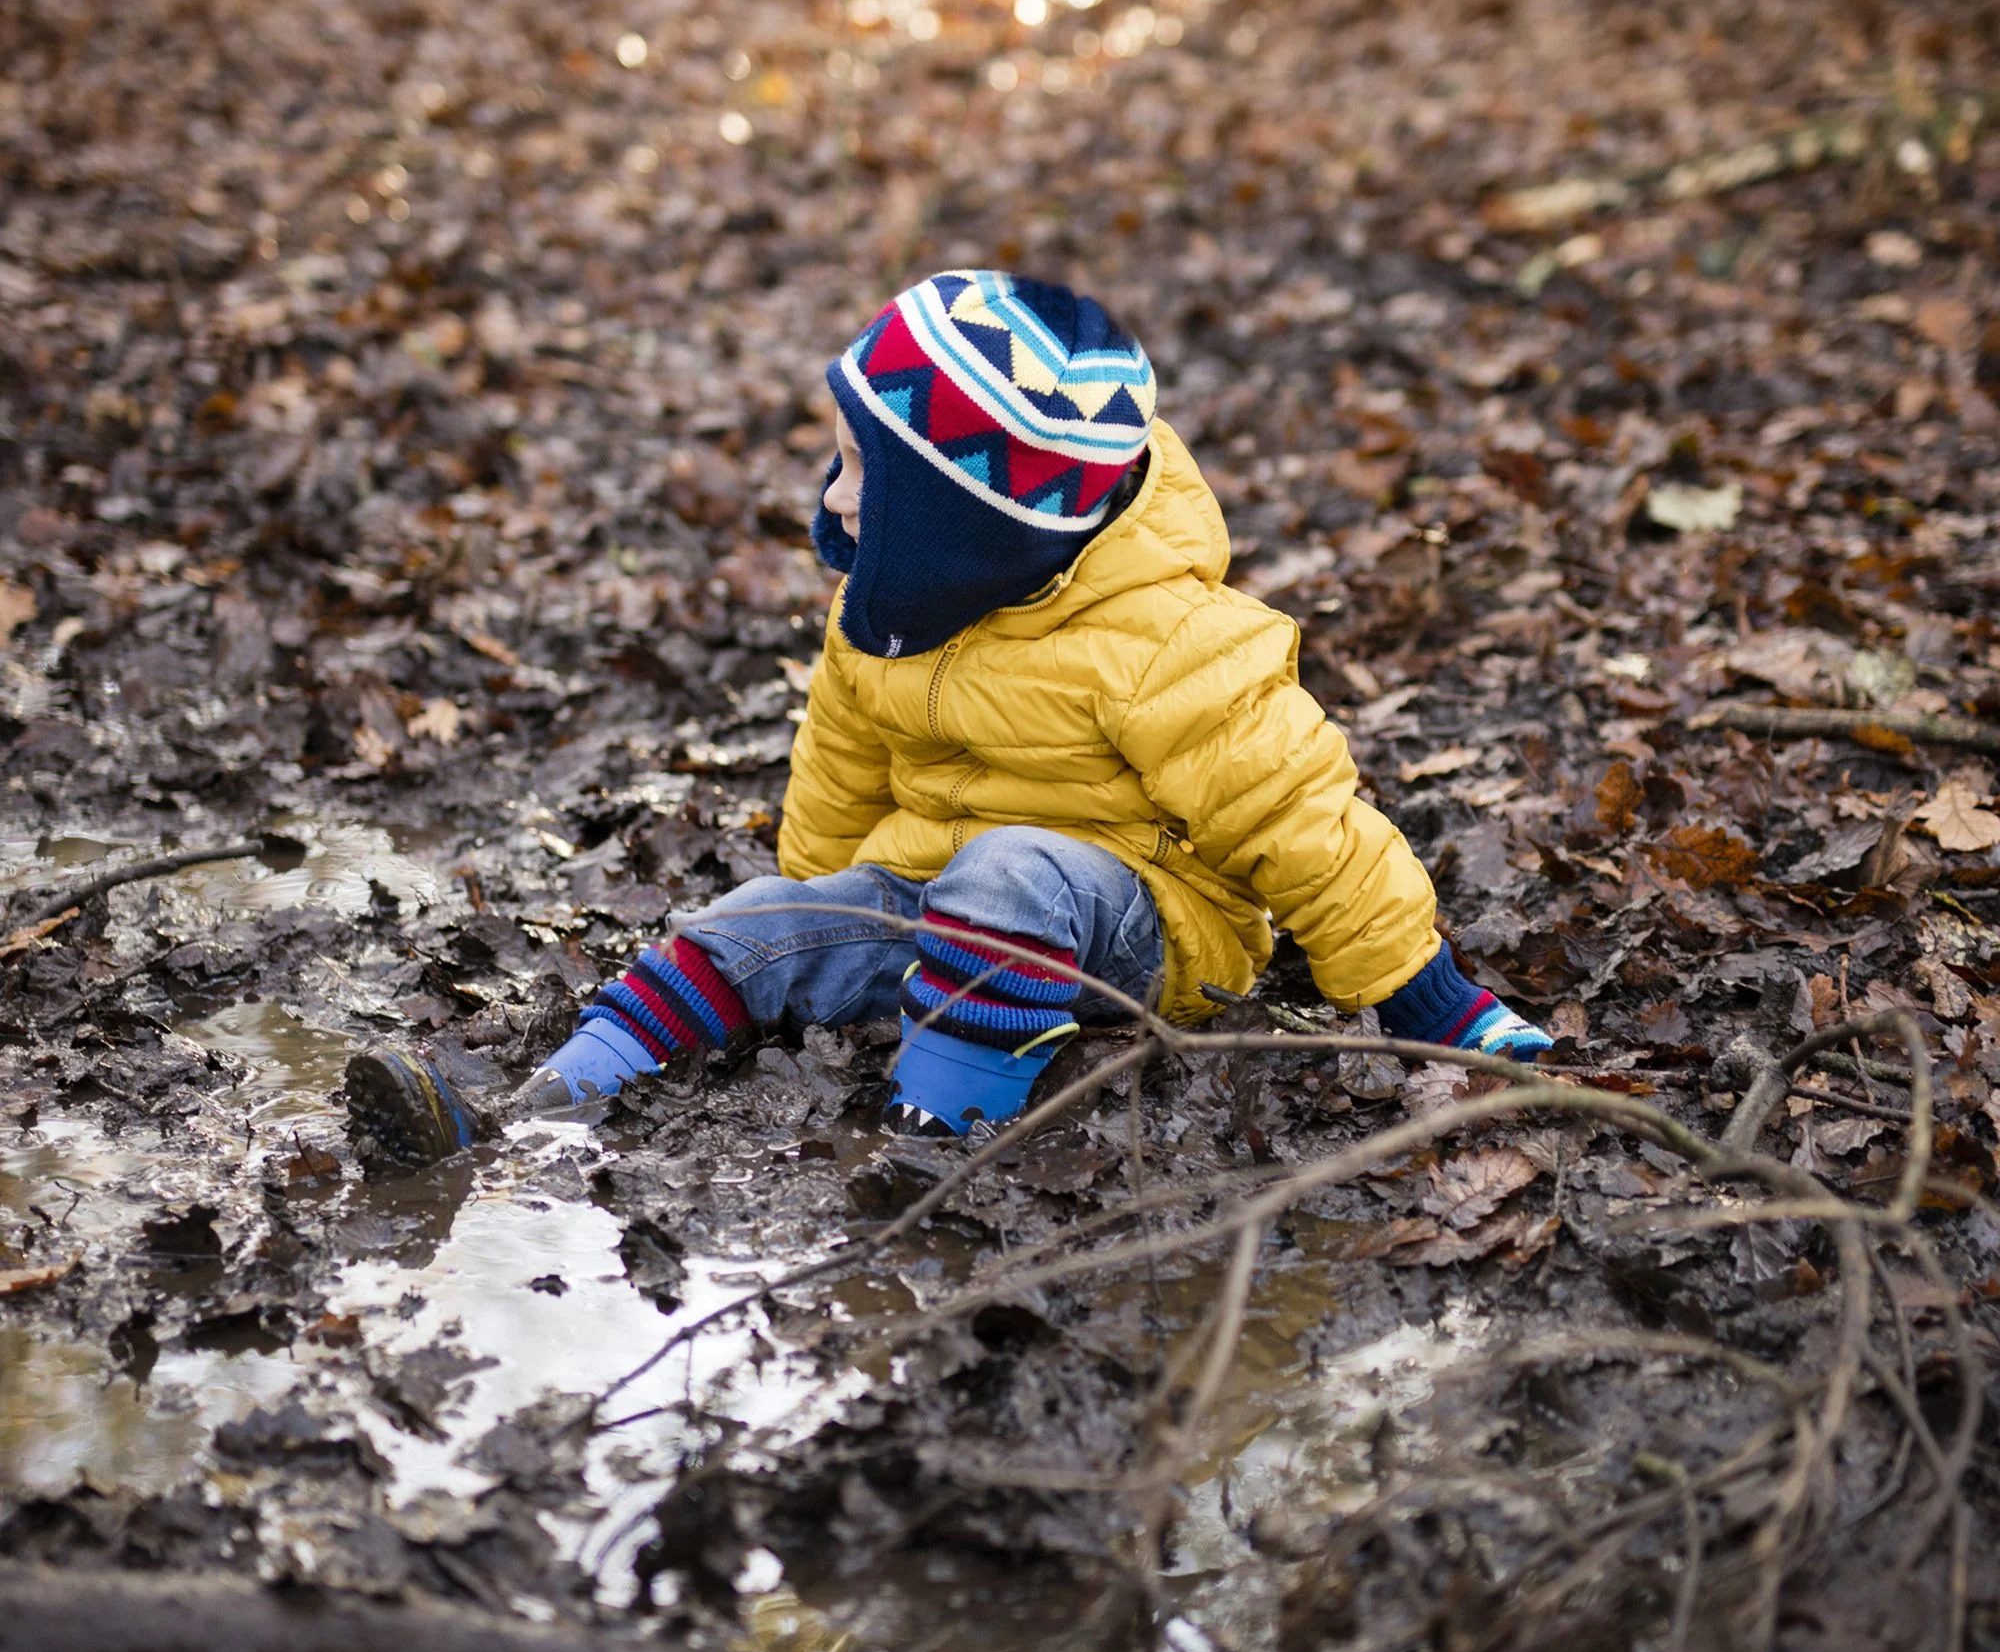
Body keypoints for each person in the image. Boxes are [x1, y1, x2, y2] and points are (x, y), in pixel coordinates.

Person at [346, 269, 1550, 1168]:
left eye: (864, 476)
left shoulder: (1171, 643)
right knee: (753, 925)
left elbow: (1303, 821)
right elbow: (840, 766)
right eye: (837, 460)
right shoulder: (887, 610)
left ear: (966, 526)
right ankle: (527, 1117)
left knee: (1011, 872)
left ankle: (934, 1151)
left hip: (1140, 925)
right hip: (941, 900)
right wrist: (811, 911)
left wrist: (1428, 1002)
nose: (833, 498)